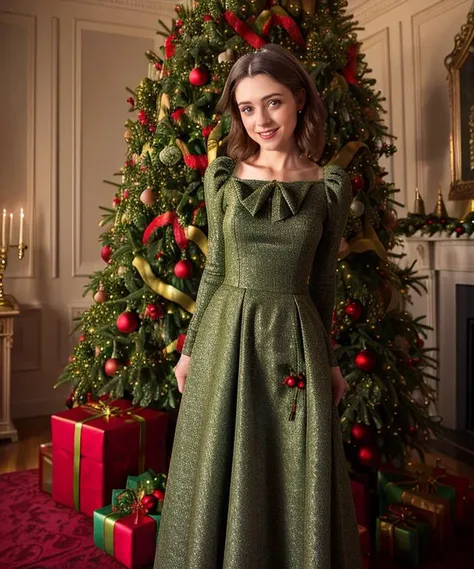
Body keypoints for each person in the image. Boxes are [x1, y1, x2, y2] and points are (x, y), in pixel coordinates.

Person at [153, 43, 362, 569]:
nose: (261, 120)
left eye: (273, 103)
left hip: (294, 342)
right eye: (247, 108)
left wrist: (332, 361)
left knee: (291, 469)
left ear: (299, 101)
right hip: (226, 338)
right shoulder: (223, 176)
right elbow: (217, 270)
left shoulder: (329, 187)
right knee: (219, 468)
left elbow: (322, 282)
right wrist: (189, 349)